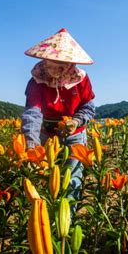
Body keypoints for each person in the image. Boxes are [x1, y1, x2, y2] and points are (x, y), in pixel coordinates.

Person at [21, 28, 95, 204]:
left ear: (70, 64)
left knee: (72, 176)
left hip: (74, 132)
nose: (53, 71)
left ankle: (67, 217)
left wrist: (75, 122)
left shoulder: (81, 79)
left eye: (59, 67)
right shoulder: (37, 81)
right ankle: (45, 216)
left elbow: (88, 107)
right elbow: (32, 113)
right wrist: (32, 145)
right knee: (45, 175)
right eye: (49, 65)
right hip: (46, 132)